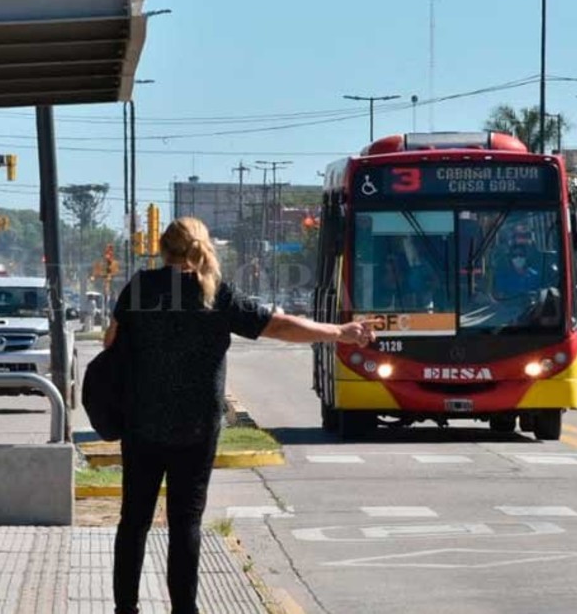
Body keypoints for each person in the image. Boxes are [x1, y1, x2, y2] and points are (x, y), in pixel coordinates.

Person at [104, 217, 375, 614]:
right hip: (196, 430)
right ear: (204, 248)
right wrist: (339, 332)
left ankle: (125, 609)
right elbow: (279, 327)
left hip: (142, 423)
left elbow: (112, 340)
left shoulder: (140, 288)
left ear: (162, 249)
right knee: (185, 524)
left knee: (134, 521)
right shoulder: (216, 295)